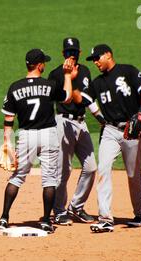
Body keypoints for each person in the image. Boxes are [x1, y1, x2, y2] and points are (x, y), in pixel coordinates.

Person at [0, 48, 75, 234]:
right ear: (40, 65)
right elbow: (68, 97)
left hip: (26, 136)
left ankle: (4, 218)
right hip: (48, 135)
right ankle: (47, 221)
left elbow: (8, 120)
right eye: (44, 62)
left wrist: (7, 143)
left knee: (17, 176)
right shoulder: (50, 85)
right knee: (49, 179)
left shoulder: (14, 87)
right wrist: (68, 75)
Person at [85, 44, 141, 232]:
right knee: (103, 169)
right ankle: (105, 218)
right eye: (93, 60)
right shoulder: (97, 83)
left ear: (108, 54)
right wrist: (70, 77)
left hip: (131, 130)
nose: (96, 62)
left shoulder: (128, 70)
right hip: (109, 130)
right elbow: (83, 98)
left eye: (98, 58)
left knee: (133, 174)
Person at [48, 37, 104, 225]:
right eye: (68, 52)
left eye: (74, 52)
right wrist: (68, 79)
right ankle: (59, 211)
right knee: (63, 171)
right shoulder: (56, 74)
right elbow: (67, 98)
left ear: (79, 53)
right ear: (63, 53)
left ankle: (76, 207)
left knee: (91, 167)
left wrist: (100, 119)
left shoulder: (86, 71)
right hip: (62, 123)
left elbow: (86, 99)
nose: (71, 55)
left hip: (82, 123)